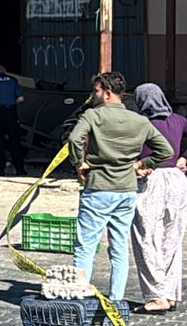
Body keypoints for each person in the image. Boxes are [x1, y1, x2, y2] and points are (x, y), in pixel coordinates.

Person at [66, 72, 173, 302]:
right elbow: (166, 151)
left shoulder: (92, 116)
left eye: (95, 91)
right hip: (126, 190)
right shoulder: (140, 121)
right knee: (119, 248)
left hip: (97, 188)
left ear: (106, 93)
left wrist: (79, 163)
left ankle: (79, 297)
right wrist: (143, 163)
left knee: (85, 246)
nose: (93, 95)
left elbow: (74, 139)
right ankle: (116, 299)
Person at [131, 82, 187, 314]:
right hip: (177, 181)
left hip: (151, 179)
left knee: (146, 237)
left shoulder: (141, 124)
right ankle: (171, 293)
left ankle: (156, 296)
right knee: (171, 238)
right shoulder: (177, 120)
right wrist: (186, 158)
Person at [0, 64, 27, 177]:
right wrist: (12, 103)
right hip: (11, 112)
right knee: (15, 141)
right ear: (5, 71)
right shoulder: (12, 80)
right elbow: (21, 98)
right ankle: (20, 169)